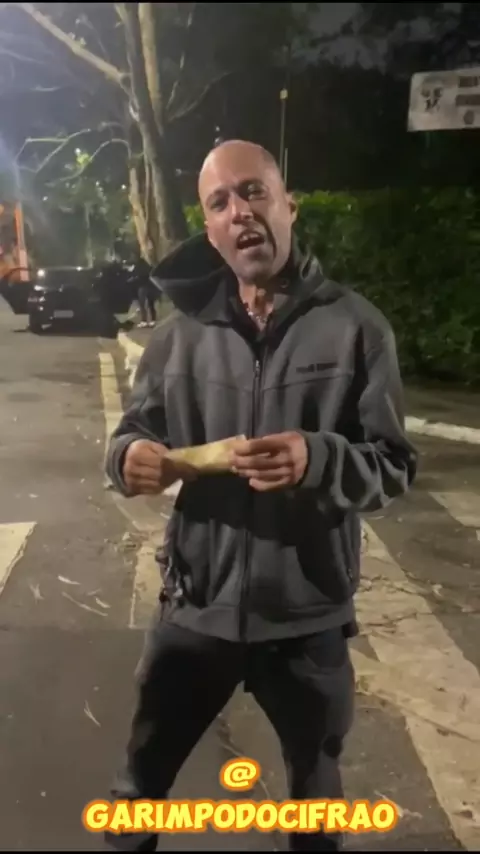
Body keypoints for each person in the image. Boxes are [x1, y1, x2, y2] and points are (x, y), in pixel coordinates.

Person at [104, 140, 417, 851]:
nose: (239, 212)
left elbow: (394, 465)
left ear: (288, 207)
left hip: (307, 619)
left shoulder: (357, 329)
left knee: (315, 808)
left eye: (253, 192)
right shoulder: (178, 337)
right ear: (210, 231)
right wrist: (130, 459)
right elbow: (131, 435)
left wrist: (319, 456)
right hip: (195, 608)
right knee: (137, 794)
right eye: (219, 203)